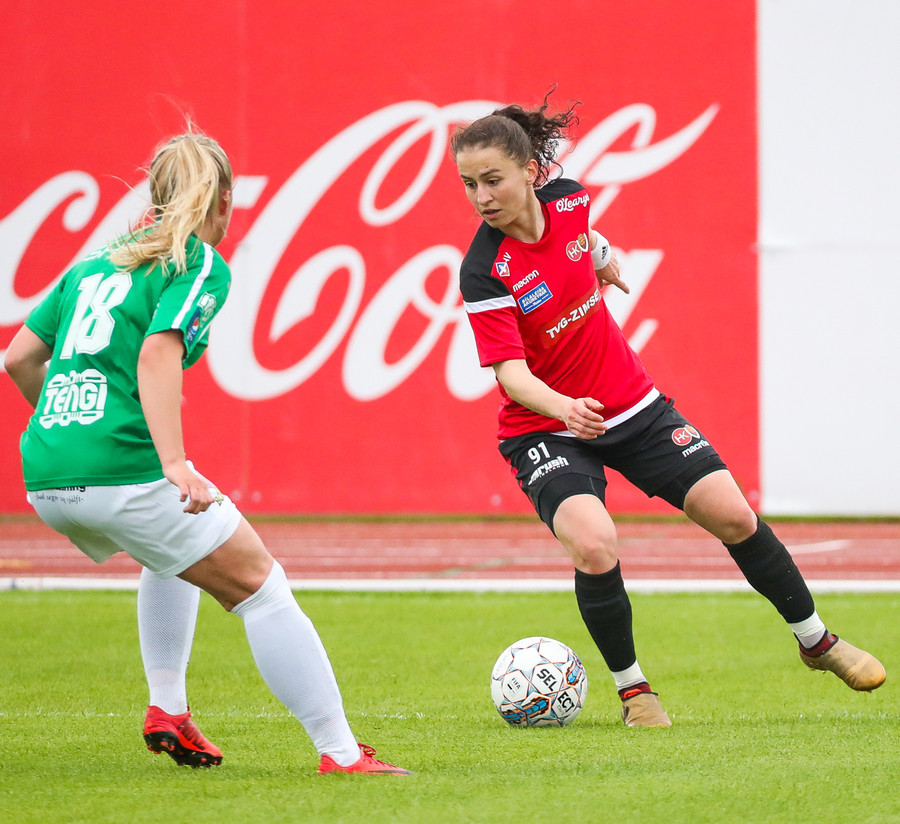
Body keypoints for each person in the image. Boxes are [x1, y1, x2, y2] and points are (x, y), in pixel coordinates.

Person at [451, 93, 885, 727]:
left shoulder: (569, 199)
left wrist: (604, 260)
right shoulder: (483, 270)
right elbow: (511, 376)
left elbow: (582, 235)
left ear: (530, 172)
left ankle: (818, 643)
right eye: (469, 185)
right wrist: (565, 408)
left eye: (492, 179)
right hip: (547, 428)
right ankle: (636, 692)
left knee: (732, 513)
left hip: (632, 404)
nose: (482, 197)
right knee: (594, 543)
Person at [4, 130, 410, 775]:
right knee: (262, 587)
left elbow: (20, 358)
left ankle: (168, 708)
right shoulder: (195, 262)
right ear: (222, 199)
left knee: (169, 550)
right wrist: (172, 464)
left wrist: (67, 430)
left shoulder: (93, 265)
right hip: (122, 471)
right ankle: (340, 753)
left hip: (47, 471)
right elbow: (157, 352)